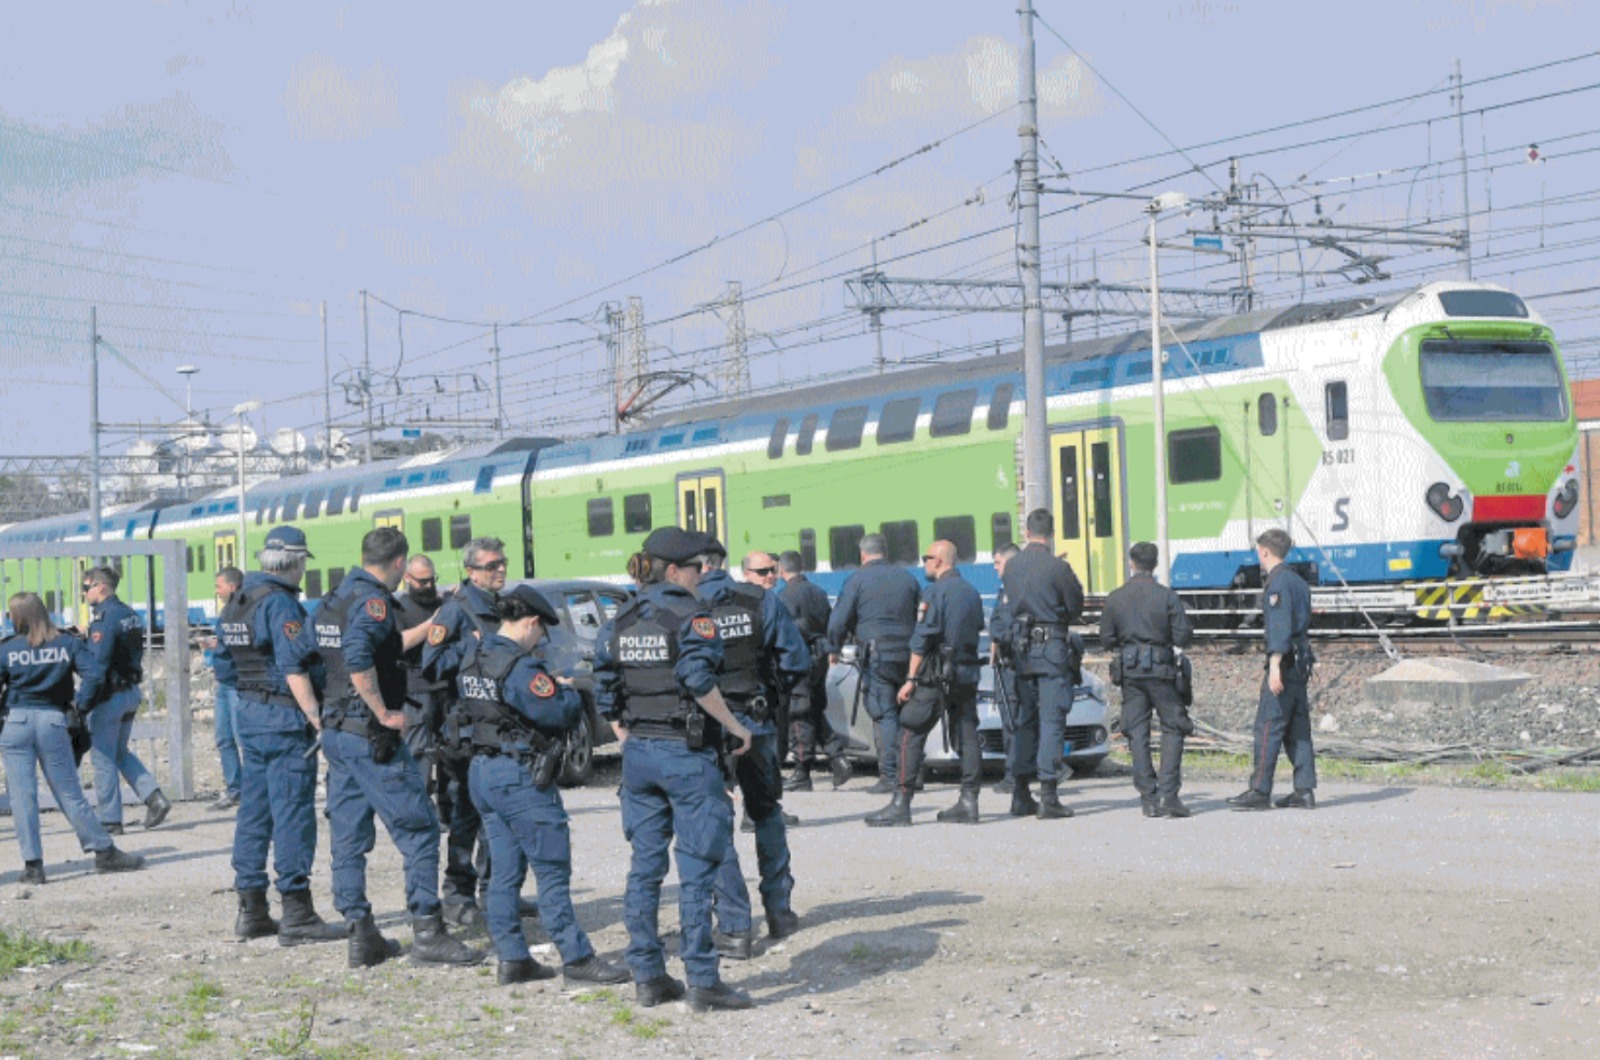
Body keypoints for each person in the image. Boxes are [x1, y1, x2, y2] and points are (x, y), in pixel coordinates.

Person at [593, 526, 756, 1013]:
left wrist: (628, 734)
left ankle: (648, 976)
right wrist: (736, 727)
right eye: (695, 567)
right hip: (685, 755)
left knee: (644, 868)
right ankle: (703, 982)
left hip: (640, 754)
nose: (702, 574)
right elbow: (697, 679)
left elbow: (604, 686)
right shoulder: (693, 618)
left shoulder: (621, 618)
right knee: (698, 866)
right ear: (673, 570)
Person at [316, 526, 483, 968]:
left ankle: (360, 932)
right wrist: (383, 711)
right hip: (371, 735)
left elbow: (338, 655)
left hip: (337, 730)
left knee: (348, 835)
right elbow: (357, 656)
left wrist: (433, 623)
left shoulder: (335, 599)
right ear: (396, 564)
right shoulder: (373, 602)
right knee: (420, 828)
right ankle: (428, 932)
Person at [455, 585, 630, 987]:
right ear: (531, 622)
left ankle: (513, 958)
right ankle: (578, 959)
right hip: (520, 777)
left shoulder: (474, 657)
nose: (542, 640)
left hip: (483, 771)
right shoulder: (519, 667)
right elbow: (558, 712)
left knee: (503, 873)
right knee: (551, 872)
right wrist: (565, 690)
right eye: (542, 632)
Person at [220, 525, 345, 945]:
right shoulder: (281, 605)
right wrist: (316, 715)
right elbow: (295, 663)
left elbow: (222, 664)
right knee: (292, 812)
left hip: (250, 715)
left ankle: (251, 910)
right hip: (284, 718)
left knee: (254, 812)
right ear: (294, 562)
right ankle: (297, 913)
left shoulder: (237, 601)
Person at [700, 546, 808, 959]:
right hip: (757, 722)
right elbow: (795, 659)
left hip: (709, 729)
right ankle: (779, 911)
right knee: (766, 812)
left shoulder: (689, 604)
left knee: (714, 820)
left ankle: (734, 927)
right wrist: (769, 688)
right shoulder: (760, 600)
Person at [1, 592, 146, 882]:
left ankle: (33, 866)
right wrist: (81, 705)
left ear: (17, 617)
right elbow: (95, 675)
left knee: (21, 796)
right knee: (69, 792)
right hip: (53, 720)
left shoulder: (7, 649)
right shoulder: (66, 642)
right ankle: (104, 851)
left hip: (15, 722)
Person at [420, 536, 508, 926]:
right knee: (466, 815)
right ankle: (458, 895)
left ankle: (496, 891)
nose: (500, 570)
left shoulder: (505, 606)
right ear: (471, 571)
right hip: (465, 730)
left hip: (499, 725)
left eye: (502, 563)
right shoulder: (455, 611)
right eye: (491, 566)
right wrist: (469, 649)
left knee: (500, 815)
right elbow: (431, 663)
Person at [867, 541, 985, 827]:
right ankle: (969, 801)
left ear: (940, 560)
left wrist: (910, 679)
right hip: (965, 674)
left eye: (927, 558)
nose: (924, 564)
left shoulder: (935, 593)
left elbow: (922, 639)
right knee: (967, 735)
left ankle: (901, 803)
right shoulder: (971, 592)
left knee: (910, 730)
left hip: (934, 676)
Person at [1000, 509, 1085, 820]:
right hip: (1051, 649)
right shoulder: (1058, 567)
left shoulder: (1011, 567)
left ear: (1026, 531)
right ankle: (1048, 795)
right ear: (1051, 533)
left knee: (1024, 721)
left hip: (1021, 650)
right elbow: (1076, 605)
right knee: (1051, 720)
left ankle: (1020, 793)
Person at [1100, 542, 1195, 818]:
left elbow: (1106, 638)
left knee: (1136, 732)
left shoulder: (1116, 597)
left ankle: (1148, 798)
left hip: (1130, 673)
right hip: (1162, 672)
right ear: (1154, 565)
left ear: (1132, 563)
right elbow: (1182, 636)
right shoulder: (1166, 596)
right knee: (1174, 727)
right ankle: (1169, 795)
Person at [1230, 529, 1317, 811]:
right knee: (1298, 728)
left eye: (1258, 550)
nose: (1257, 555)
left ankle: (1259, 790)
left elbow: (1279, 626)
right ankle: (1304, 790)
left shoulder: (1277, 583)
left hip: (1287, 661)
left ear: (1265, 551)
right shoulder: (1299, 582)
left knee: (1268, 725)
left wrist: (1275, 666)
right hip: (1302, 661)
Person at [826, 533, 919, 794]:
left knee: (884, 713)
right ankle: (913, 774)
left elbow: (838, 620)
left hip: (877, 657)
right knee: (908, 714)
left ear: (862, 555)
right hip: (908, 656)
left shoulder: (856, 580)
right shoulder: (907, 577)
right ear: (885, 551)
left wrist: (833, 647)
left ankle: (891, 776)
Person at [81, 566, 171, 833]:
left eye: (87, 587)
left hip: (109, 696)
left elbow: (97, 666)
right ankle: (154, 798)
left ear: (101, 587)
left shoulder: (104, 618)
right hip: (130, 692)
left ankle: (110, 820)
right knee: (119, 752)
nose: (84, 593)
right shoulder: (129, 614)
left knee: (102, 756)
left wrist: (82, 702)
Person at [777, 550, 850, 791]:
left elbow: (787, 633)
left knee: (800, 714)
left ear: (781, 569)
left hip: (800, 658)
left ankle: (801, 771)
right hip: (820, 658)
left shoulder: (785, 596)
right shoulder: (819, 592)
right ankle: (838, 759)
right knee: (815, 709)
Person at [202, 567, 246, 811]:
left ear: (232, 586)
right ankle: (235, 790)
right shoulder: (226, 612)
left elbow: (237, 643)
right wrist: (215, 644)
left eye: (219, 586)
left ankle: (250, 791)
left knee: (242, 739)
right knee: (223, 738)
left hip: (237, 684)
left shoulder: (241, 611)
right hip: (223, 682)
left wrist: (218, 645)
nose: (216, 591)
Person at [989, 543, 1021, 797]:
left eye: (998, 563)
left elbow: (1003, 627)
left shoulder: (1012, 590)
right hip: (1024, 664)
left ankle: (1014, 776)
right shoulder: (1020, 588)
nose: (994, 567)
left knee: (1011, 722)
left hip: (1013, 666)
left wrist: (996, 637)